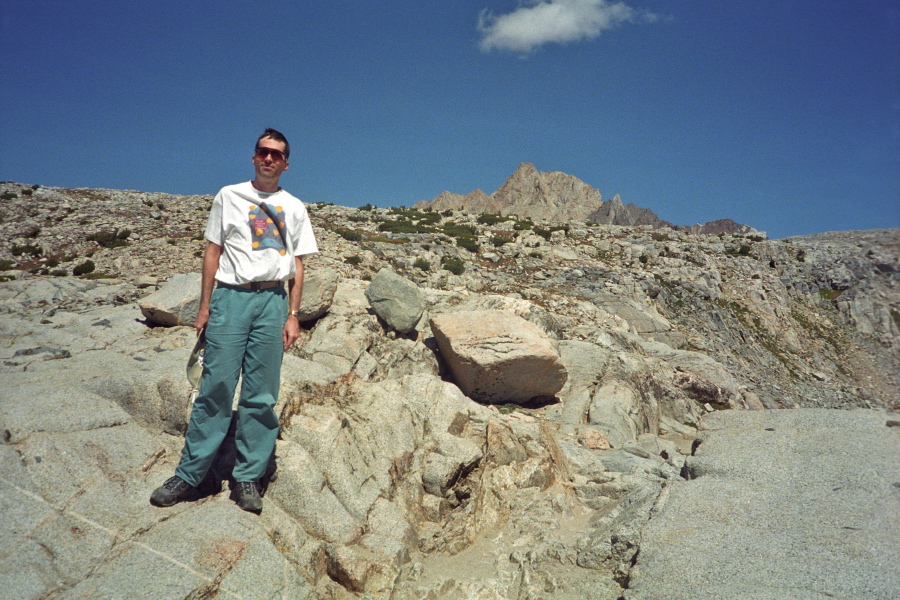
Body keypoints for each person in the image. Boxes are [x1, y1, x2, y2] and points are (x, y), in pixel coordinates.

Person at [151, 128, 318, 511]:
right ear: (254, 156)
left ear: (286, 164)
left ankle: (247, 477)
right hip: (231, 298)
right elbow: (213, 251)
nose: (269, 159)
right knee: (216, 388)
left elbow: (298, 265)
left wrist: (293, 315)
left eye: (277, 154)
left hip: (273, 301)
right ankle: (191, 474)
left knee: (261, 395)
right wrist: (205, 305)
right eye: (263, 152)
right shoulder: (229, 196)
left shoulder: (294, 207)